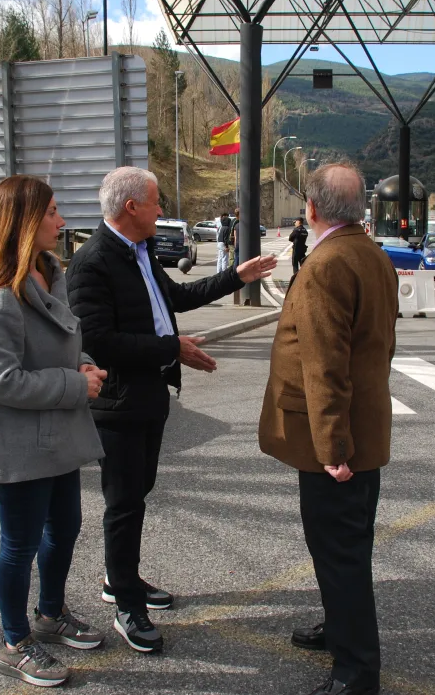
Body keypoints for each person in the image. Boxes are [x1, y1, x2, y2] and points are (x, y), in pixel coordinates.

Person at [66, 167, 277, 654]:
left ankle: (120, 579)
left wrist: (236, 276)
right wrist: (171, 349)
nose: (162, 211)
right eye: (156, 203)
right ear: (131, 207)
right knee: (123, 503)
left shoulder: (139, 252)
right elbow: (97, 340)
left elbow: (176, 298)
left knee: (138, 493)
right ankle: (126, 605)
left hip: (149, 397)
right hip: (118, 403)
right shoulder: (93, 262)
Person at [0, 175, 108, 688]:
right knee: (18, 545)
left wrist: (84, 366)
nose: (61, 222)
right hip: (19, 444)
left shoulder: (48, 274)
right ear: (22, 222)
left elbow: (61, 345)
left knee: (63, 528)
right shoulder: (0, 297)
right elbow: (1, 382)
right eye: (51, 214)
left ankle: (51, 614)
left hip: (57, 435)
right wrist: (74, 385)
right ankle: (15, 642)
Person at [258, 163, 399, 695]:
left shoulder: (326, 264)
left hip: (336, 445)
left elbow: (325, 365)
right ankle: (339, 628)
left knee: (339, 554)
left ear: (312, 210)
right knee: (346, 547)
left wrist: (333, 447)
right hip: (363, 431)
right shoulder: (371, 254)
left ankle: (356, 673)